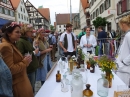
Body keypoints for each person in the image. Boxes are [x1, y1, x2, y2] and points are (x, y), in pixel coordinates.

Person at [0, 22, 33, 97]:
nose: (20, 34)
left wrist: (24, 60)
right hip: (18, 85)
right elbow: (9, 70)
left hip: (21, 82)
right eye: (17, 32)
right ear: (9, 33)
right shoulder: (6, 46)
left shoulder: (12, 44)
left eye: (20, 32)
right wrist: (25, 62)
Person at [16, 24, 39, 92]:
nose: (32, 33)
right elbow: (21, 55)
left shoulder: (27, 40)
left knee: (32, 86)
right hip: (29, 68)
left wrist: (34, 49)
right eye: (31, 31)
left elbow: (29, 51)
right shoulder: (20, 41)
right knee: (30, 88)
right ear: (26, 31)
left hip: (33, 67)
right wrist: (34, 52)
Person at [116, 15, 130, 85]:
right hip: (122, 68)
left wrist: (124, 62)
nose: (120, 27)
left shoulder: (128, 35)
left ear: (123, 25)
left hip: (125, 69)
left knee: (123, 90)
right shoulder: (127, 34)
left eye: (120, 25)